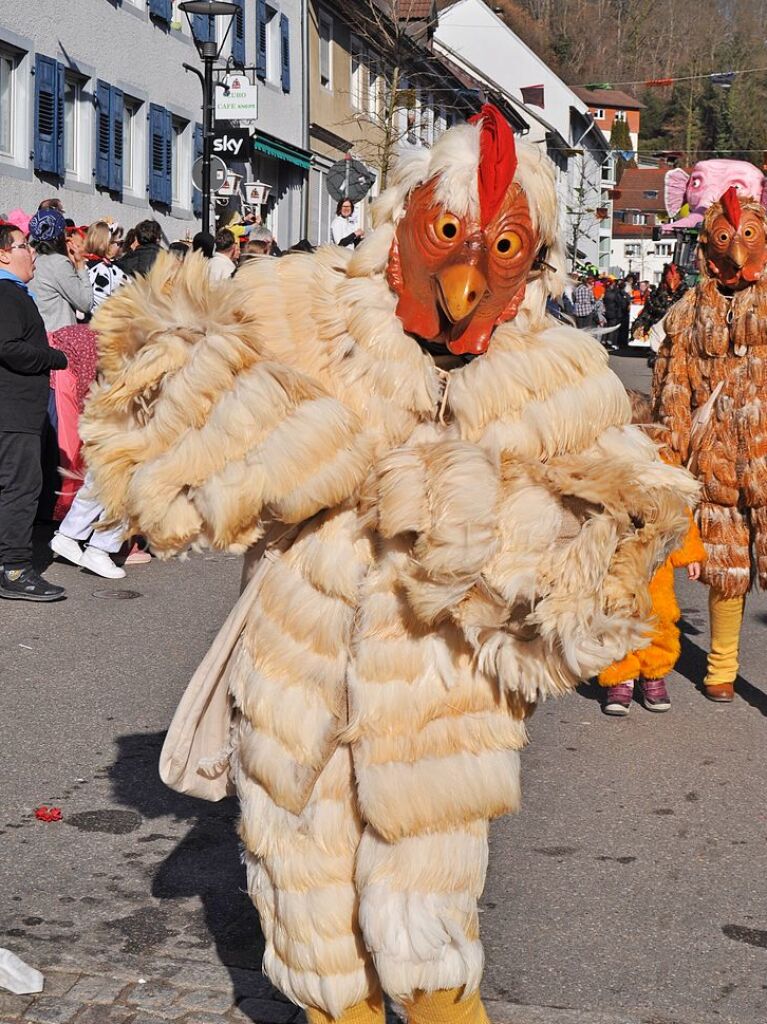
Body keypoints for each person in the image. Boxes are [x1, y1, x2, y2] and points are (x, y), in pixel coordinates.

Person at [81, 107, 694, 1024]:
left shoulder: (564, 375)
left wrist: (468, 519)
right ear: (404, 218)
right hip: (296, 682)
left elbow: (615, 558)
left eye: (503, 248)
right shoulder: (303, 309)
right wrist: (267, 440)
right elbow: (142, 428)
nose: (465, 277)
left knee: (433, 944)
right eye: (448, 234)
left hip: (442, 709)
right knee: (312, 928)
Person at [654, 187, 767, 704]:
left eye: (746, 235)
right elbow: (672, 389)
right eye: (725, 237)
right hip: (715, 462)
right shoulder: (687, 313)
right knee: (726, 572)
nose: (736, 248)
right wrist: (673, 455)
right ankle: (721, 665)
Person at [600, 391, 705, 715]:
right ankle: (621, 677)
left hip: (654, 562)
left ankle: (654, 674)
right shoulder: (605, 467)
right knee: (617, 613)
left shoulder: (662, 467)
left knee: (659, 615)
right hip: (616, 557)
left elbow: (679, 513)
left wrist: (689, 554)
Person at [0, 222, 68, 601]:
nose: (33, 254)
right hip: (14, 412)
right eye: (24, 246)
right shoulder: (7, 294)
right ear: (4, 253)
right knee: (21, 489)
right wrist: (54, 356)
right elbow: (8, 347)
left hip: (14, 411)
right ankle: (15, 569)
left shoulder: (13, 294)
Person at [28, 209, 93, 332]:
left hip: (40, 335)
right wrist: (80, 265)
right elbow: (85, 303)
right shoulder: (58, 263)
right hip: (60, 338)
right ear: (59, 236)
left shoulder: (32, 258)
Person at [85, 221, 127, 309]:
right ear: (105, 243)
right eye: (118, 243)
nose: (120, 247)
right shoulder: (105, 269)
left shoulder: (80, 263)